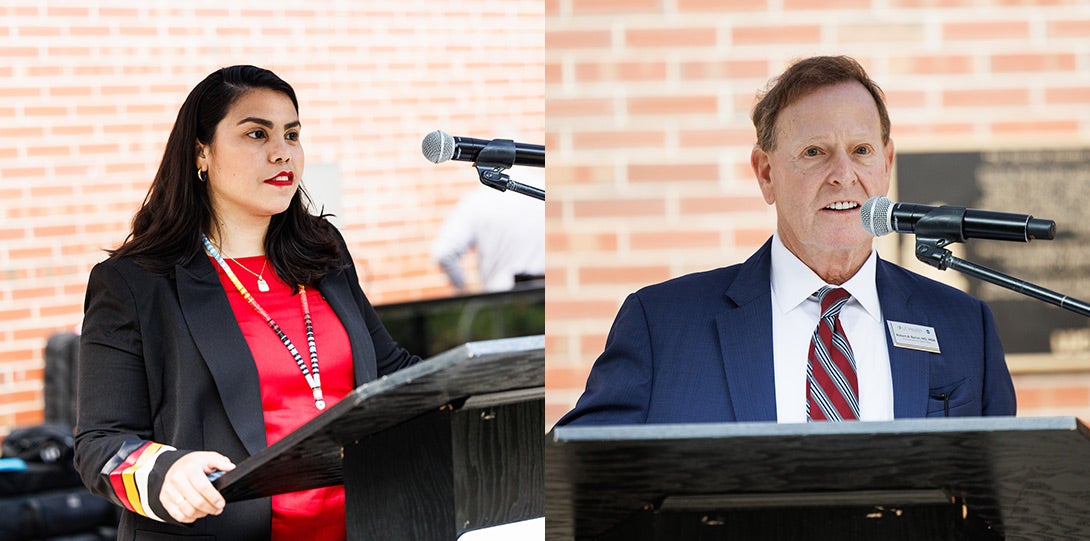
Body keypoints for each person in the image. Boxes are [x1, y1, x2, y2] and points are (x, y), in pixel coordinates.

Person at [558, 55, 1016, 426]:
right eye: (814, 153)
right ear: (766, 173)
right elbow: (579, 485)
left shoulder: (963, 325)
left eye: (861, 151)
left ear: (886, 162)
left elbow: (1003, 502)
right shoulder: (662, 326)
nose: (843, 176)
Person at [74, 65, 420, 540]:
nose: (283, 153)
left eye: (292, 134)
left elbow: (390, 369)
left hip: (364, 524)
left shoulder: (325, 251)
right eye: (257, 133)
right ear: (202, 152)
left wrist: (487, 387)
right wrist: (166, 472)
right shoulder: (135, 282)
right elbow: (100, 444)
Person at [430, 169, 545, 293]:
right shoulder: (546, 189)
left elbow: (444, 252)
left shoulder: (479, 199)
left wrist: (465, 292)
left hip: (500, 300)